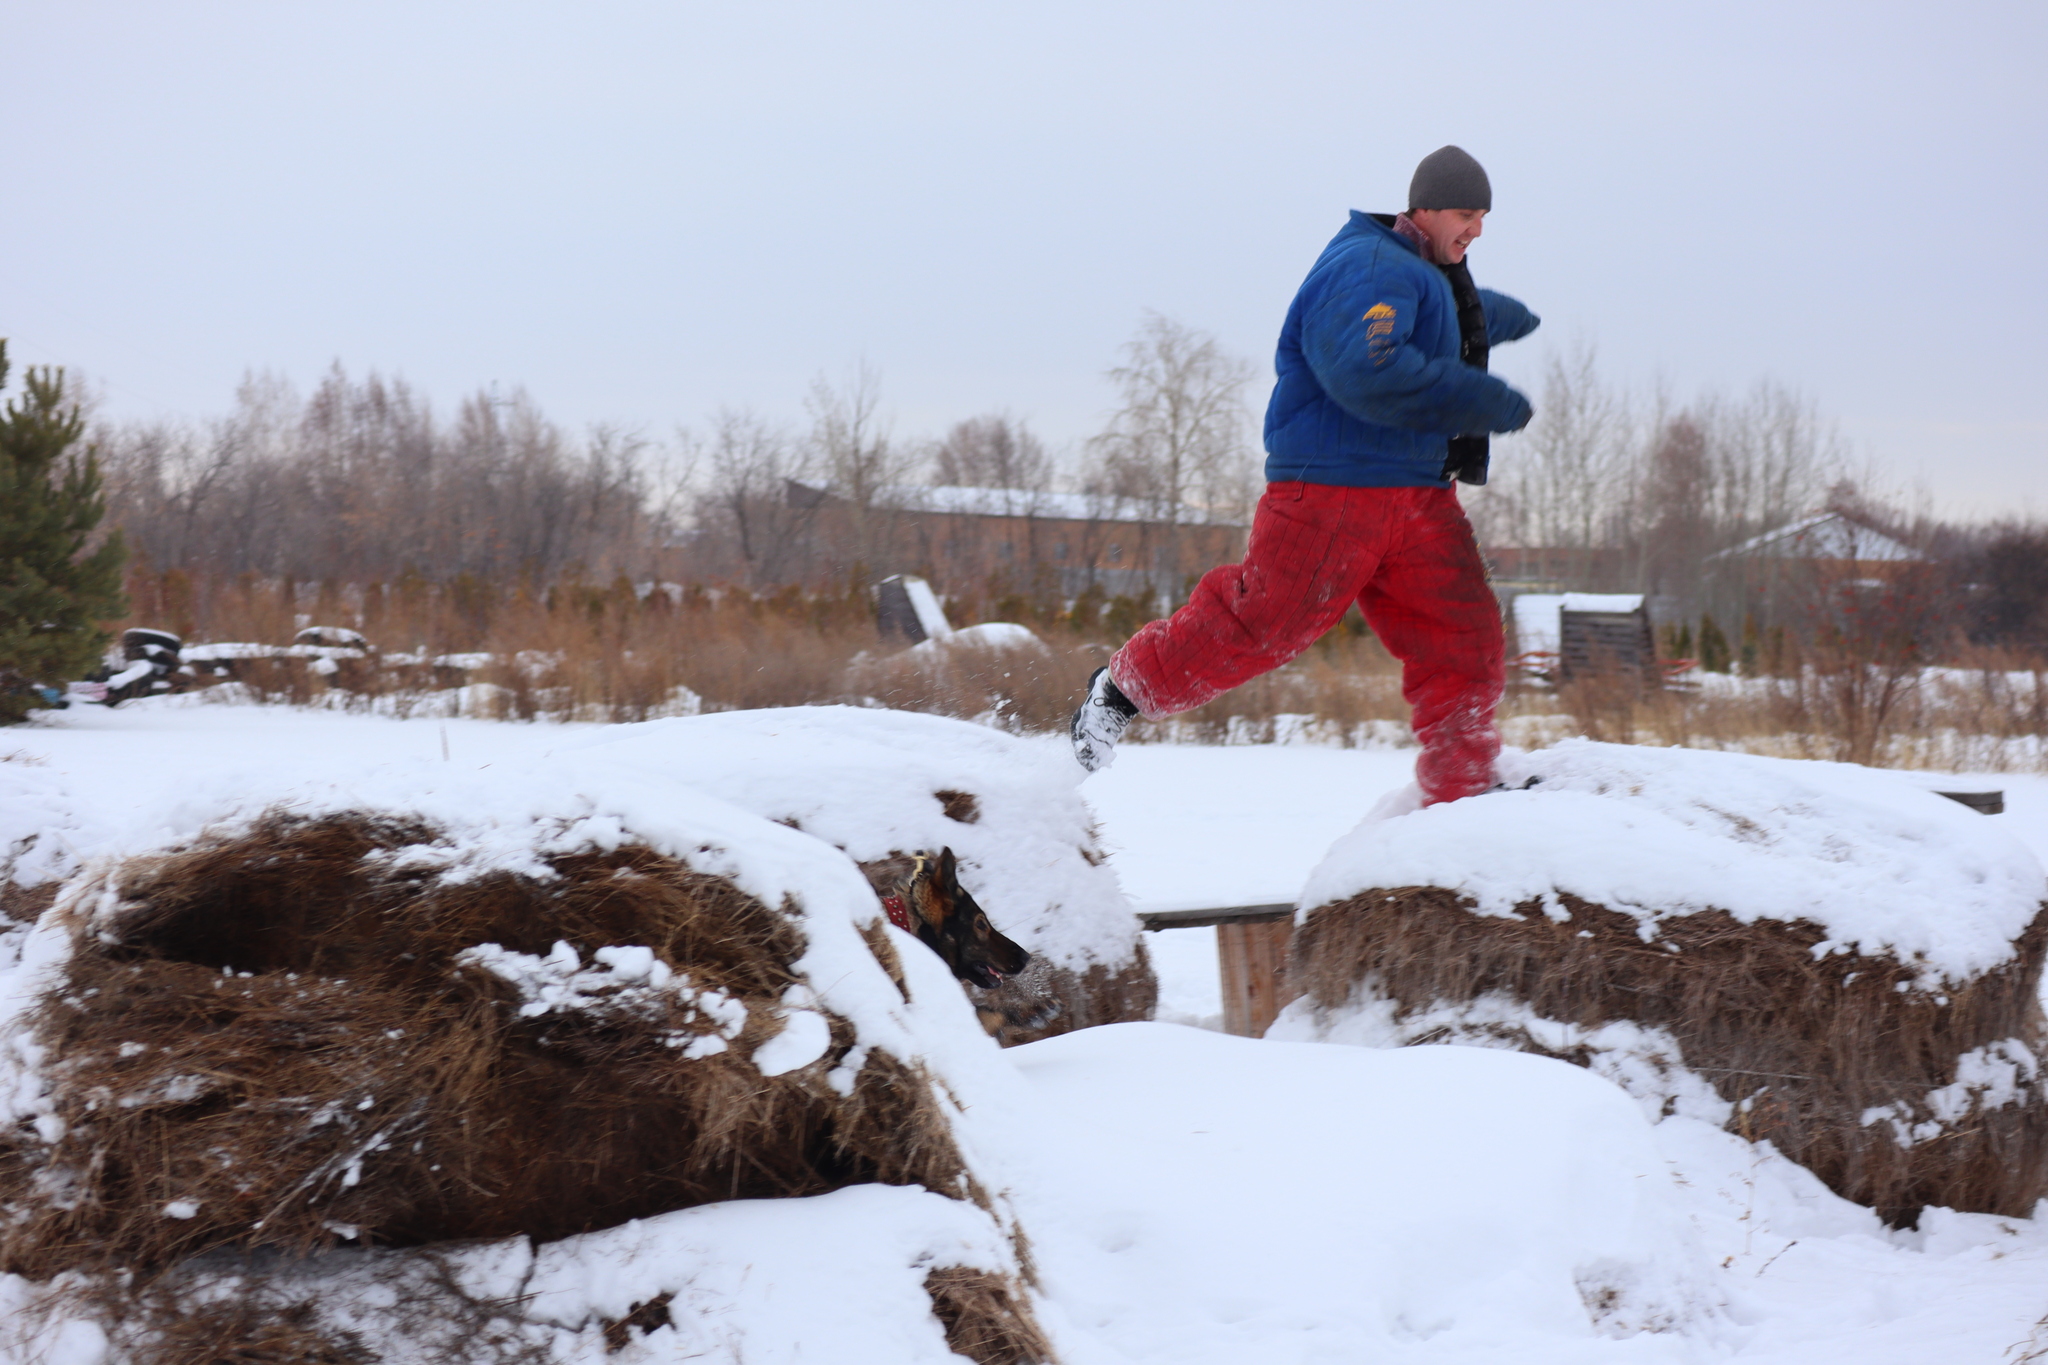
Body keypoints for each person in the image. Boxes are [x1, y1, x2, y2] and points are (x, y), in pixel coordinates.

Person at [1070, 145, 1539, 804]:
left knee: (1464, 635)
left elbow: (1442, 315)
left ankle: (1462, 790)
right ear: (1424, 208)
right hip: (1331, 492)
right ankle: (1122, 689)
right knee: (1264, 625)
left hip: (1421, 499)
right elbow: (1367, 367)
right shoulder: (1367, 267)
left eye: (1484, 218)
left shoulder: (1421, 271)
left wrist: (1500, 317)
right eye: (1466, 213)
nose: (1477, 229)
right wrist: (1478, 398)